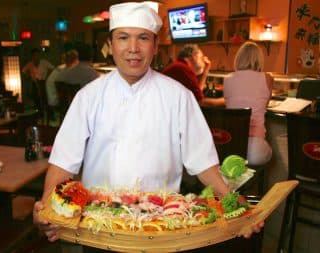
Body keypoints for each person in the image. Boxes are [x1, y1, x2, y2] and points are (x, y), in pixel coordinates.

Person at [33, 2, 263, 249]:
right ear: (110, 46)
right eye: (123, 37)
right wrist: (46, 208)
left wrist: (234, 205)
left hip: (161, 227)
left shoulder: (178, 96)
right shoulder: (88, 97)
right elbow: (63, 161)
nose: (133, 48)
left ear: (155, 46)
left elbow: (202, 161)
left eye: (143, 38)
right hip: (98, 229)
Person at [224, 41, 272, 166]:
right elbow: (265, 105)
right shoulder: (267, 78)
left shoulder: (227, 79)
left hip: (230, 146)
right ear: (259, 59)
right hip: (254, 151)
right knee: (272, 150)